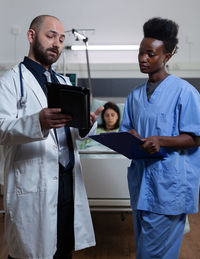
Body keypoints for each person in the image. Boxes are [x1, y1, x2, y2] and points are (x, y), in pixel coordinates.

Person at [0, 15, 103, 259]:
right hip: (33, 185)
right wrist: (37, 122)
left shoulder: (64, 82)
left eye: (61, 38)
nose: (56, 43)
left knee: (63, 249)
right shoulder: (10, 82)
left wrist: (85, 125)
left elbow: (70, 134)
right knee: (31, 252)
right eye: (50, 35)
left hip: (67, 183)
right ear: (31, 36)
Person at [120, 17, 200, 259]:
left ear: (167, 56)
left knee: (151, 256)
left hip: (169, 188)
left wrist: (161, 140)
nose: (143, 59)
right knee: (146, 250)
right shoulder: (134, 95)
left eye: (150, 54)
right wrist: (130, 136)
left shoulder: (184, 92)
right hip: (141, 185)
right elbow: (127, 129)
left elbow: (195, 138)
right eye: (141, 53)